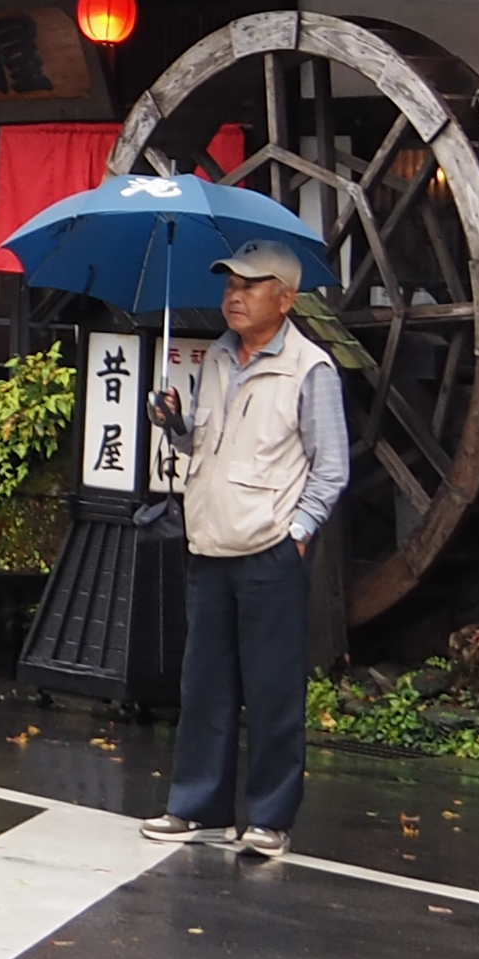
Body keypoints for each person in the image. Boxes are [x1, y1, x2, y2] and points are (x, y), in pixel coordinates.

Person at [141, 238, 346, 859]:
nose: (233, 295)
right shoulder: (217, 361)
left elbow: (331, 468)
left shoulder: (311, 369)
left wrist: (299, 534)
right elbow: (203, 446)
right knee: (204, 685)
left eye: (249, 286)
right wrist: (174, 424)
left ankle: (269, 818)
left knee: (273, 689)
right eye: (229, 283)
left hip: (268, 550)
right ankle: (198, 807)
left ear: (284, 300)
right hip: (209, 544)